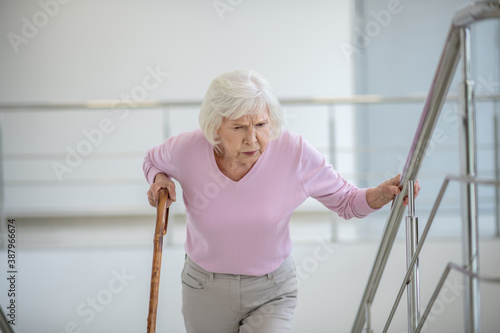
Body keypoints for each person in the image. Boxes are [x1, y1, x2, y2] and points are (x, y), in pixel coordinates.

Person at [143, 69, 420, 333]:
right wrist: (159, 180)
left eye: (261, 125)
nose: (253, 139)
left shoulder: (293, 152)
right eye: (238, 127)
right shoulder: (187, 149)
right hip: (204, 288)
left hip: (271, 291)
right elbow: (152, 160)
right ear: (215, 127)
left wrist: (381, 194)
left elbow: (347, 201)